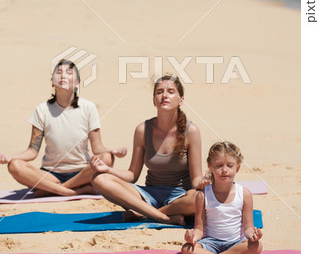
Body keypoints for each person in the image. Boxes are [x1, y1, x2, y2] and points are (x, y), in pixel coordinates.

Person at [0, 59, 127, 196]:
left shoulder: (88, 108)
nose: (63, 76)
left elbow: (97, 148)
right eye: (58, 72)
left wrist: (112, 151)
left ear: (77, 83)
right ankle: (72, 192)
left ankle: (55, 190)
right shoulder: (42, 110)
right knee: (14, 165)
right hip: (50, 174)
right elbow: (32, 150)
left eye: (69, 72)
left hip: (81, 172)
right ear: (52, 82)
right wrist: (11, 157)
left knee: (107, 158)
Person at [90, 75, 203, 225]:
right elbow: (132, 175)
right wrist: (107, 169)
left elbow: (196, 180)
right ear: (154, 100)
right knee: (99, 179)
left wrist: (207, 181)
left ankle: (146, 214)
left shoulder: (191, 131)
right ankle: (162, 217)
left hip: (179, 198)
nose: (164, 96)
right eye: (159, 92)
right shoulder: (142, 130)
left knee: (198, 199)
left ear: (181, 100)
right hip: (147, 195)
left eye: (170, 91)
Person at [181, 141, 266, 254]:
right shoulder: (202, 195)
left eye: (230, 165)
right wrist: (192, 237)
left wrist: (253, 235)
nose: (224, 170)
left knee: (257, 246)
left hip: (236, 243)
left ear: (237, 168)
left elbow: (248, 228)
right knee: (187, 249)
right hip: (210, 243)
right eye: (219, 165)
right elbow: (199, 229)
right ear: (210, 167)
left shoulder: (245, 194)